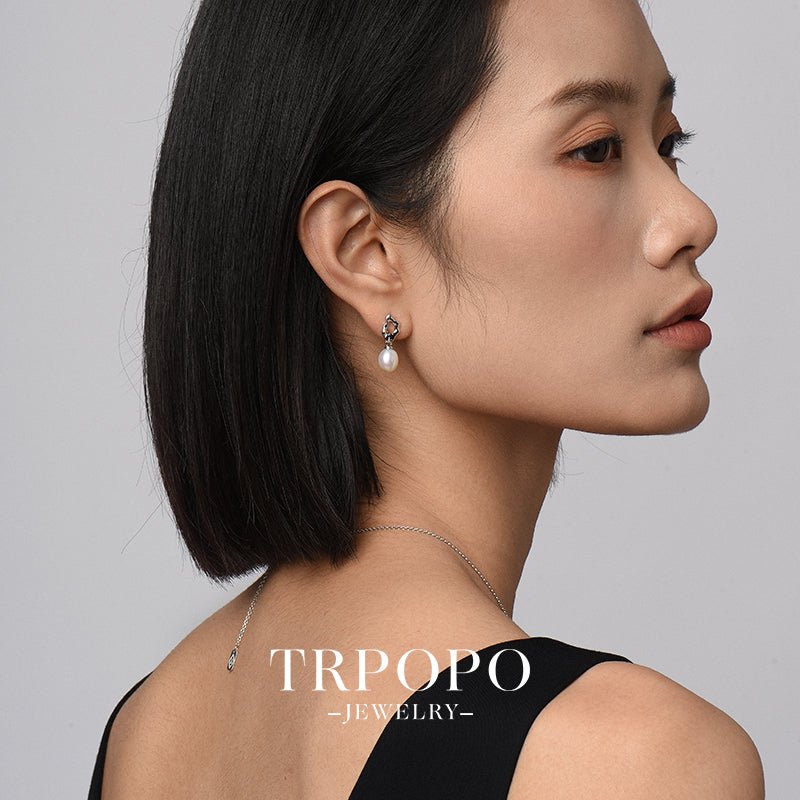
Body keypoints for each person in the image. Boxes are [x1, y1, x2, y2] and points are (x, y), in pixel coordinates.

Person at [89, 0, 766, 797]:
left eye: (668, 142)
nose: (691, 218)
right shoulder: (631, 761)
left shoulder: (149, 728)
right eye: (596, 149)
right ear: (365, 251)